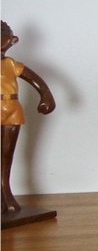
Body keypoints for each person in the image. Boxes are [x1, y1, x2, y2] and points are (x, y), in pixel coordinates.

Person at [2, 21, 55, 214]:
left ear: (12, 41)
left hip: (12, 108)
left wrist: (46, 96)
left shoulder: (11, 64)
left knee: (7, 153)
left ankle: (5, 190)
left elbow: (35, 80)